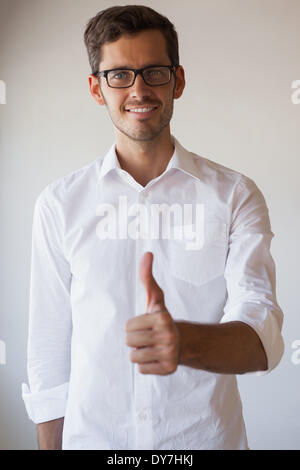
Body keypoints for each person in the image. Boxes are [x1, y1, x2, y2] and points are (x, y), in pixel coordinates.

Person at [22, 5, 284, 450]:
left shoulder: (235, 196)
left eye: (154, 72)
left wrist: (186, 341)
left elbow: (262, 335)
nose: (138, 89)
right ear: (96, 87)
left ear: (178, 80)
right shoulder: (59, 204)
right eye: (119, 74)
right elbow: (48, 354)